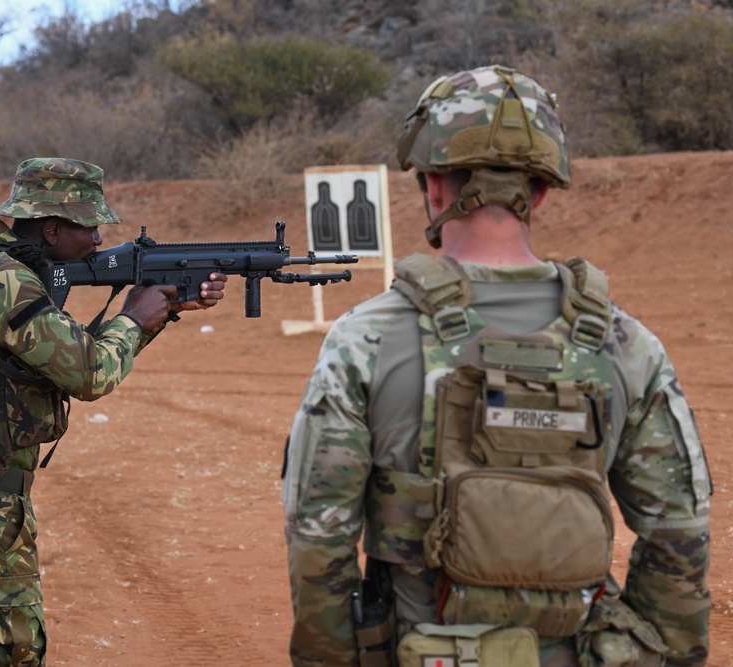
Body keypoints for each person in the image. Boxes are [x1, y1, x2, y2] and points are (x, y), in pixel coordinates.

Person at [282, 66, 711, 667]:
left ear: (433, 186)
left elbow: (317, 534)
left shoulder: (365, 338)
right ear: (538, 192)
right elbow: (680, 530)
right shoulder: (627, 344)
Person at [0, 157, 227, 666]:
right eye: (89, 225)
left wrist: (158, 313)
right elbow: (89, 374)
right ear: (51, 227)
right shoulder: (3, 281)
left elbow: (59, 358)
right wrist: (134, 320)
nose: (98, 240)